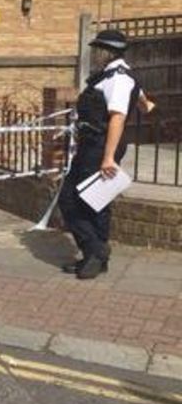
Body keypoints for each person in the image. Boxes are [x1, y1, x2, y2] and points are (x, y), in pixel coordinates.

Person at [58, 29, 149, 279]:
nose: (95, 54)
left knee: (71, 200)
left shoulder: (118, 79)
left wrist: (108, 158)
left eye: (97, 50)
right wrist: (145, 105)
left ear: (107, 52)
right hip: (94, 144)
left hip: (101, 146)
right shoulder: (116, 75)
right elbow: (143, 100)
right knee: (96, 201)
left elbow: (117, 117)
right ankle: (94, 258)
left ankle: (96, 250)